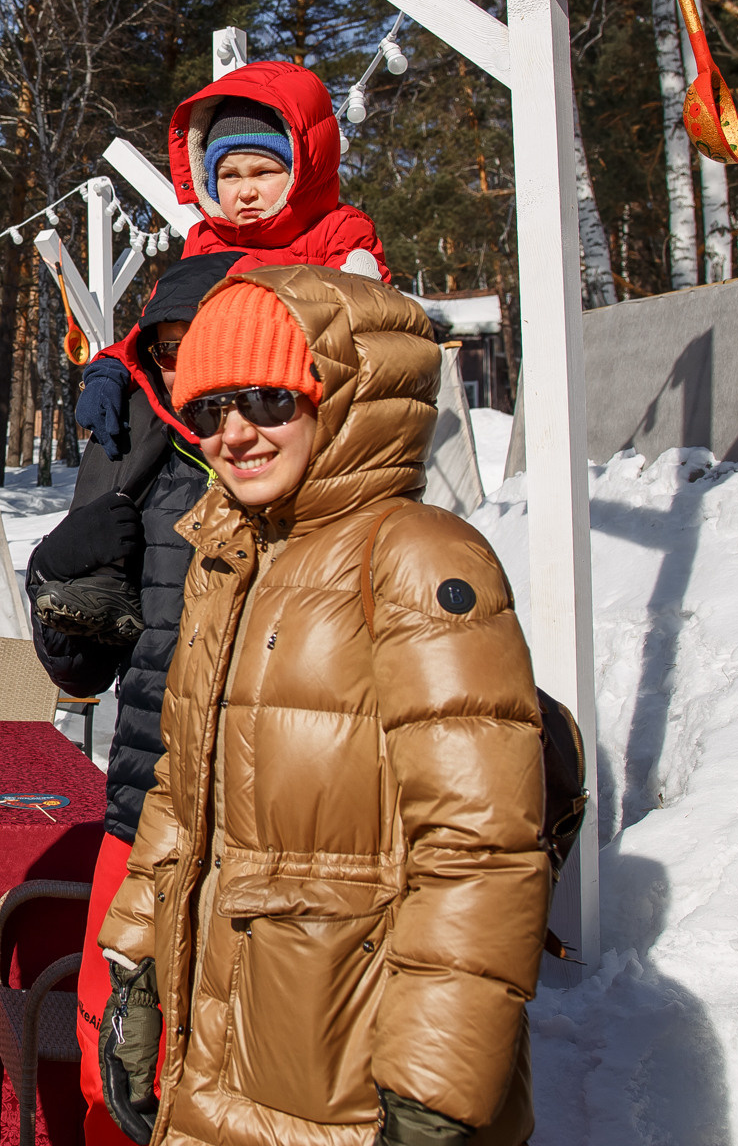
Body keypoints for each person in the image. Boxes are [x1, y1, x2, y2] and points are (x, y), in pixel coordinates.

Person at [96, 264, 546, 1146]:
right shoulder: (229, 558)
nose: (234, 434)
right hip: (224, 1043)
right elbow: (181, 792)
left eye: (267, 399)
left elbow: (479, 848)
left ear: (337, 397)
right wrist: (137, 961)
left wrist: (435, 1088)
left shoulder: (414, 558)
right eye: (208, 410)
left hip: (349, 1070)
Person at [20, 250, 240, 1146]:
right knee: (117, 1048)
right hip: (144, 807)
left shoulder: (287, 469)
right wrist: (64, 578)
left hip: (263, 823)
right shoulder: (136, 471)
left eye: (207, 345)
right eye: (169, 348)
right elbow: (78, 672)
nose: (187, 368)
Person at [166, 61, 393, 281]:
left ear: (300, 174)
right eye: (230, 175)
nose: (246, 193)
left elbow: (354, 311)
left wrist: (241, 274)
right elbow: (164, 315)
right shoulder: (203, 239)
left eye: (264, 172)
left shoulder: (340, 233)